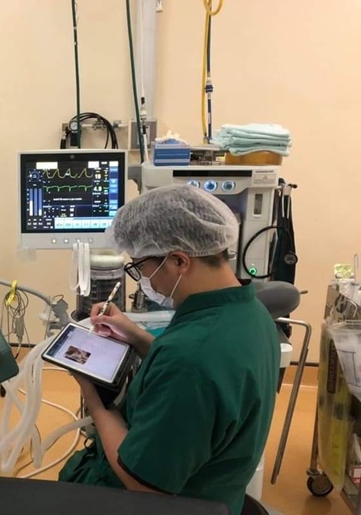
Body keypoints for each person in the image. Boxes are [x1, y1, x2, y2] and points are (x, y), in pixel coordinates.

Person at [58, 184, 280, 515]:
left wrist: (95, 397)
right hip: (217, 493)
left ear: (178, 261)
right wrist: (135, 335)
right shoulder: (249, 313)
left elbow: (143, 484)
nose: (143, 279)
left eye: (141, 267)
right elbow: (200, 376)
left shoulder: (190, 358)